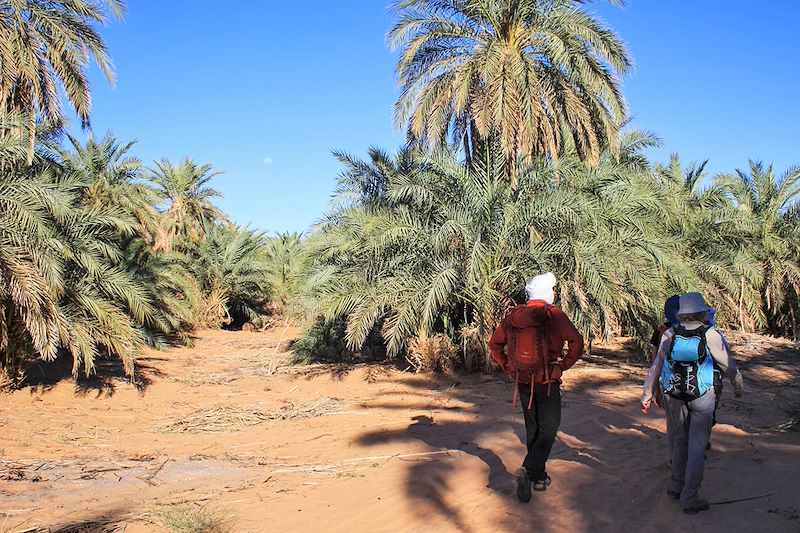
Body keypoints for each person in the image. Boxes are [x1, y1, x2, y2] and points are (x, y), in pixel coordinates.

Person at [641, 292, 744, 514]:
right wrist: (738, 386)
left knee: (679, 440)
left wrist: (647, 394)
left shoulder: (669, 333)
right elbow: (728, 365)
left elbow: (656, 366)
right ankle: (690, 496)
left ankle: (675, 486)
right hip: (703, 394)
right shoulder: (711, 334)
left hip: (674, 394)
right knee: (697, 445)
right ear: (701, 311)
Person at [489, 272, 584, 503]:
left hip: (523, 380)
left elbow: (494, 344)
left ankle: (538, 477)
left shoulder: (513, 316)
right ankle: (528, 469)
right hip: (547, 381)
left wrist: (508, 367)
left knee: (533, 428)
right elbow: (577, 342)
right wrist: (562, 366)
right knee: (549, 428)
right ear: (548, 292)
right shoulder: (553, 315)